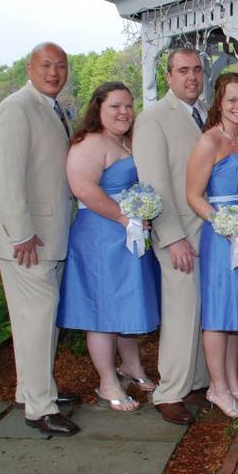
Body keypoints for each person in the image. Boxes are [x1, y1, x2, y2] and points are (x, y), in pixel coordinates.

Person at [0, 42, 79, 436]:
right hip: (28, 241)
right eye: (46, 65)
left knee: (38, 323)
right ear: (30, 67)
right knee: (39, 321)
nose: (53, 72)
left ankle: (33, 391)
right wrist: (22, 233)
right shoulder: (14, 109)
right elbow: (6, 179)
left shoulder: (56, 108)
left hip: (51, 236)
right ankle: (39, 410)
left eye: (60, 66)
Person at [56, 82, 161, 412]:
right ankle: (107, 382)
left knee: (127, 304)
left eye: (129, 105)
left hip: (128, 235)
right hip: (101, 237)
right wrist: (123, 218)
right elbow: (83, 188)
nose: (124, 112)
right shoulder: (90, 142)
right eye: (115, 106)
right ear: (98, 108)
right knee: (102, 312)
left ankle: (131, 366)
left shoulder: (128, 141)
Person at [132, 48, 210, 425]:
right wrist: (172, 238)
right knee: (180, 312)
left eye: (197, 70)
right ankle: (169, 392)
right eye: (183, 71)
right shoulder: (153, 120)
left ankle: (195, 378)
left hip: (206, 231)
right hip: (177, 233)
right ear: (168, 76)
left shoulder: (203, 115)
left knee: (198, 309)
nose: (191, 77)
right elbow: (154, 184)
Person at [186, 72, 238, 419]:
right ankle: (216, 388)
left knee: (234, 313)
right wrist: (224, 225)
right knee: (218, 314)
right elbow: (193, 195)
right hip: (221, 237)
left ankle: (232, 383)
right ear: (219, 102)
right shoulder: (209, 142)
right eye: (232, 100)